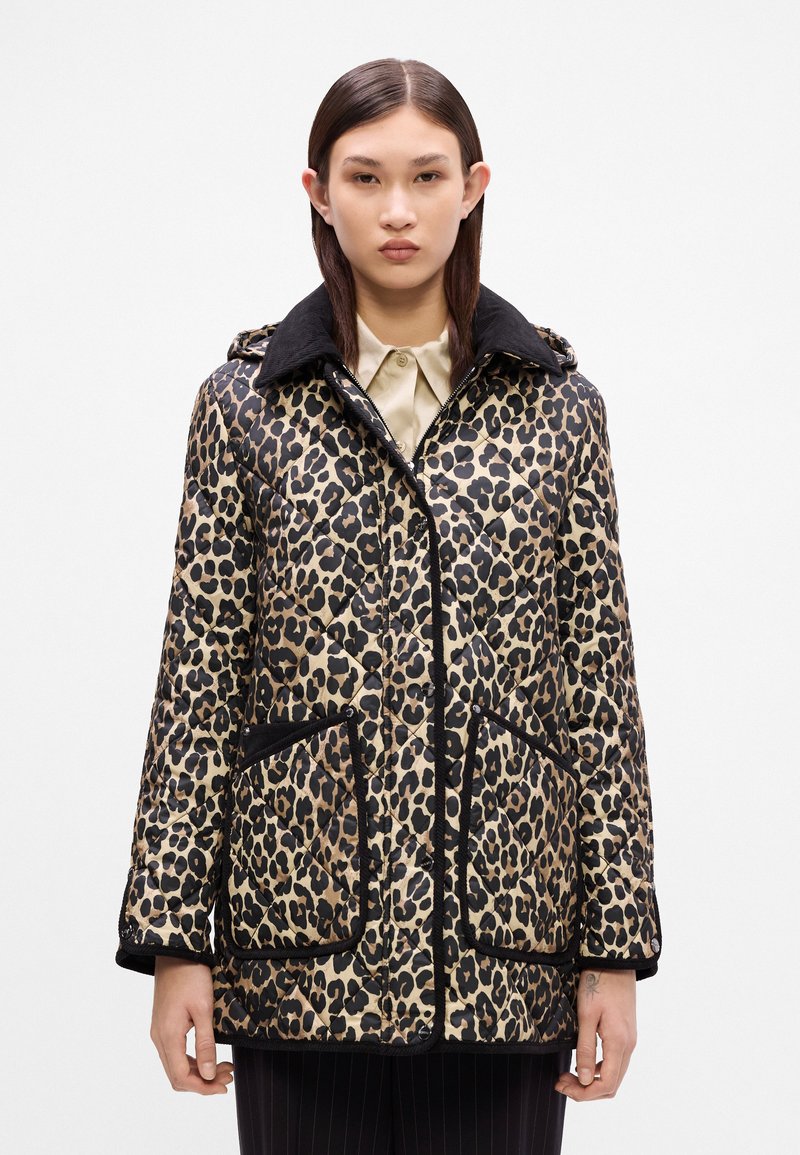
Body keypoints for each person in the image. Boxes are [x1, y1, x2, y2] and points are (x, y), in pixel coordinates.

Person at [115, 57, 662, 1155]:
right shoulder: (246, 405)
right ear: (318, 192)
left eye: (426, 176)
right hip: (300, 949)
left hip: (503, 953)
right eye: (365, 178)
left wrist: (613, 951)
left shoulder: (558, 409)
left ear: (473, 186)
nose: (398, 210)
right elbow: (199, 679)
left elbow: (598, 689)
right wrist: (177, 940)